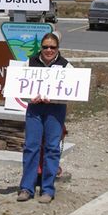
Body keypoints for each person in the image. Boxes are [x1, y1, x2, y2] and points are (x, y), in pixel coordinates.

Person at [17, 32, 72, 204]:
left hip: (55, 110)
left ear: (58, 48)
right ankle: (27, 188)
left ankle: (48, 189)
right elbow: (20, 86)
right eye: (45, 47)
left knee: (52, 148)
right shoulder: (29, 63)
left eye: (52, 47)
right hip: (35, 109)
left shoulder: (66, 66)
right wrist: (29, 98)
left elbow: (71, 92)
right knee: (31, 147)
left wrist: (55, 98)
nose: (49, 50)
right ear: (41, 47)